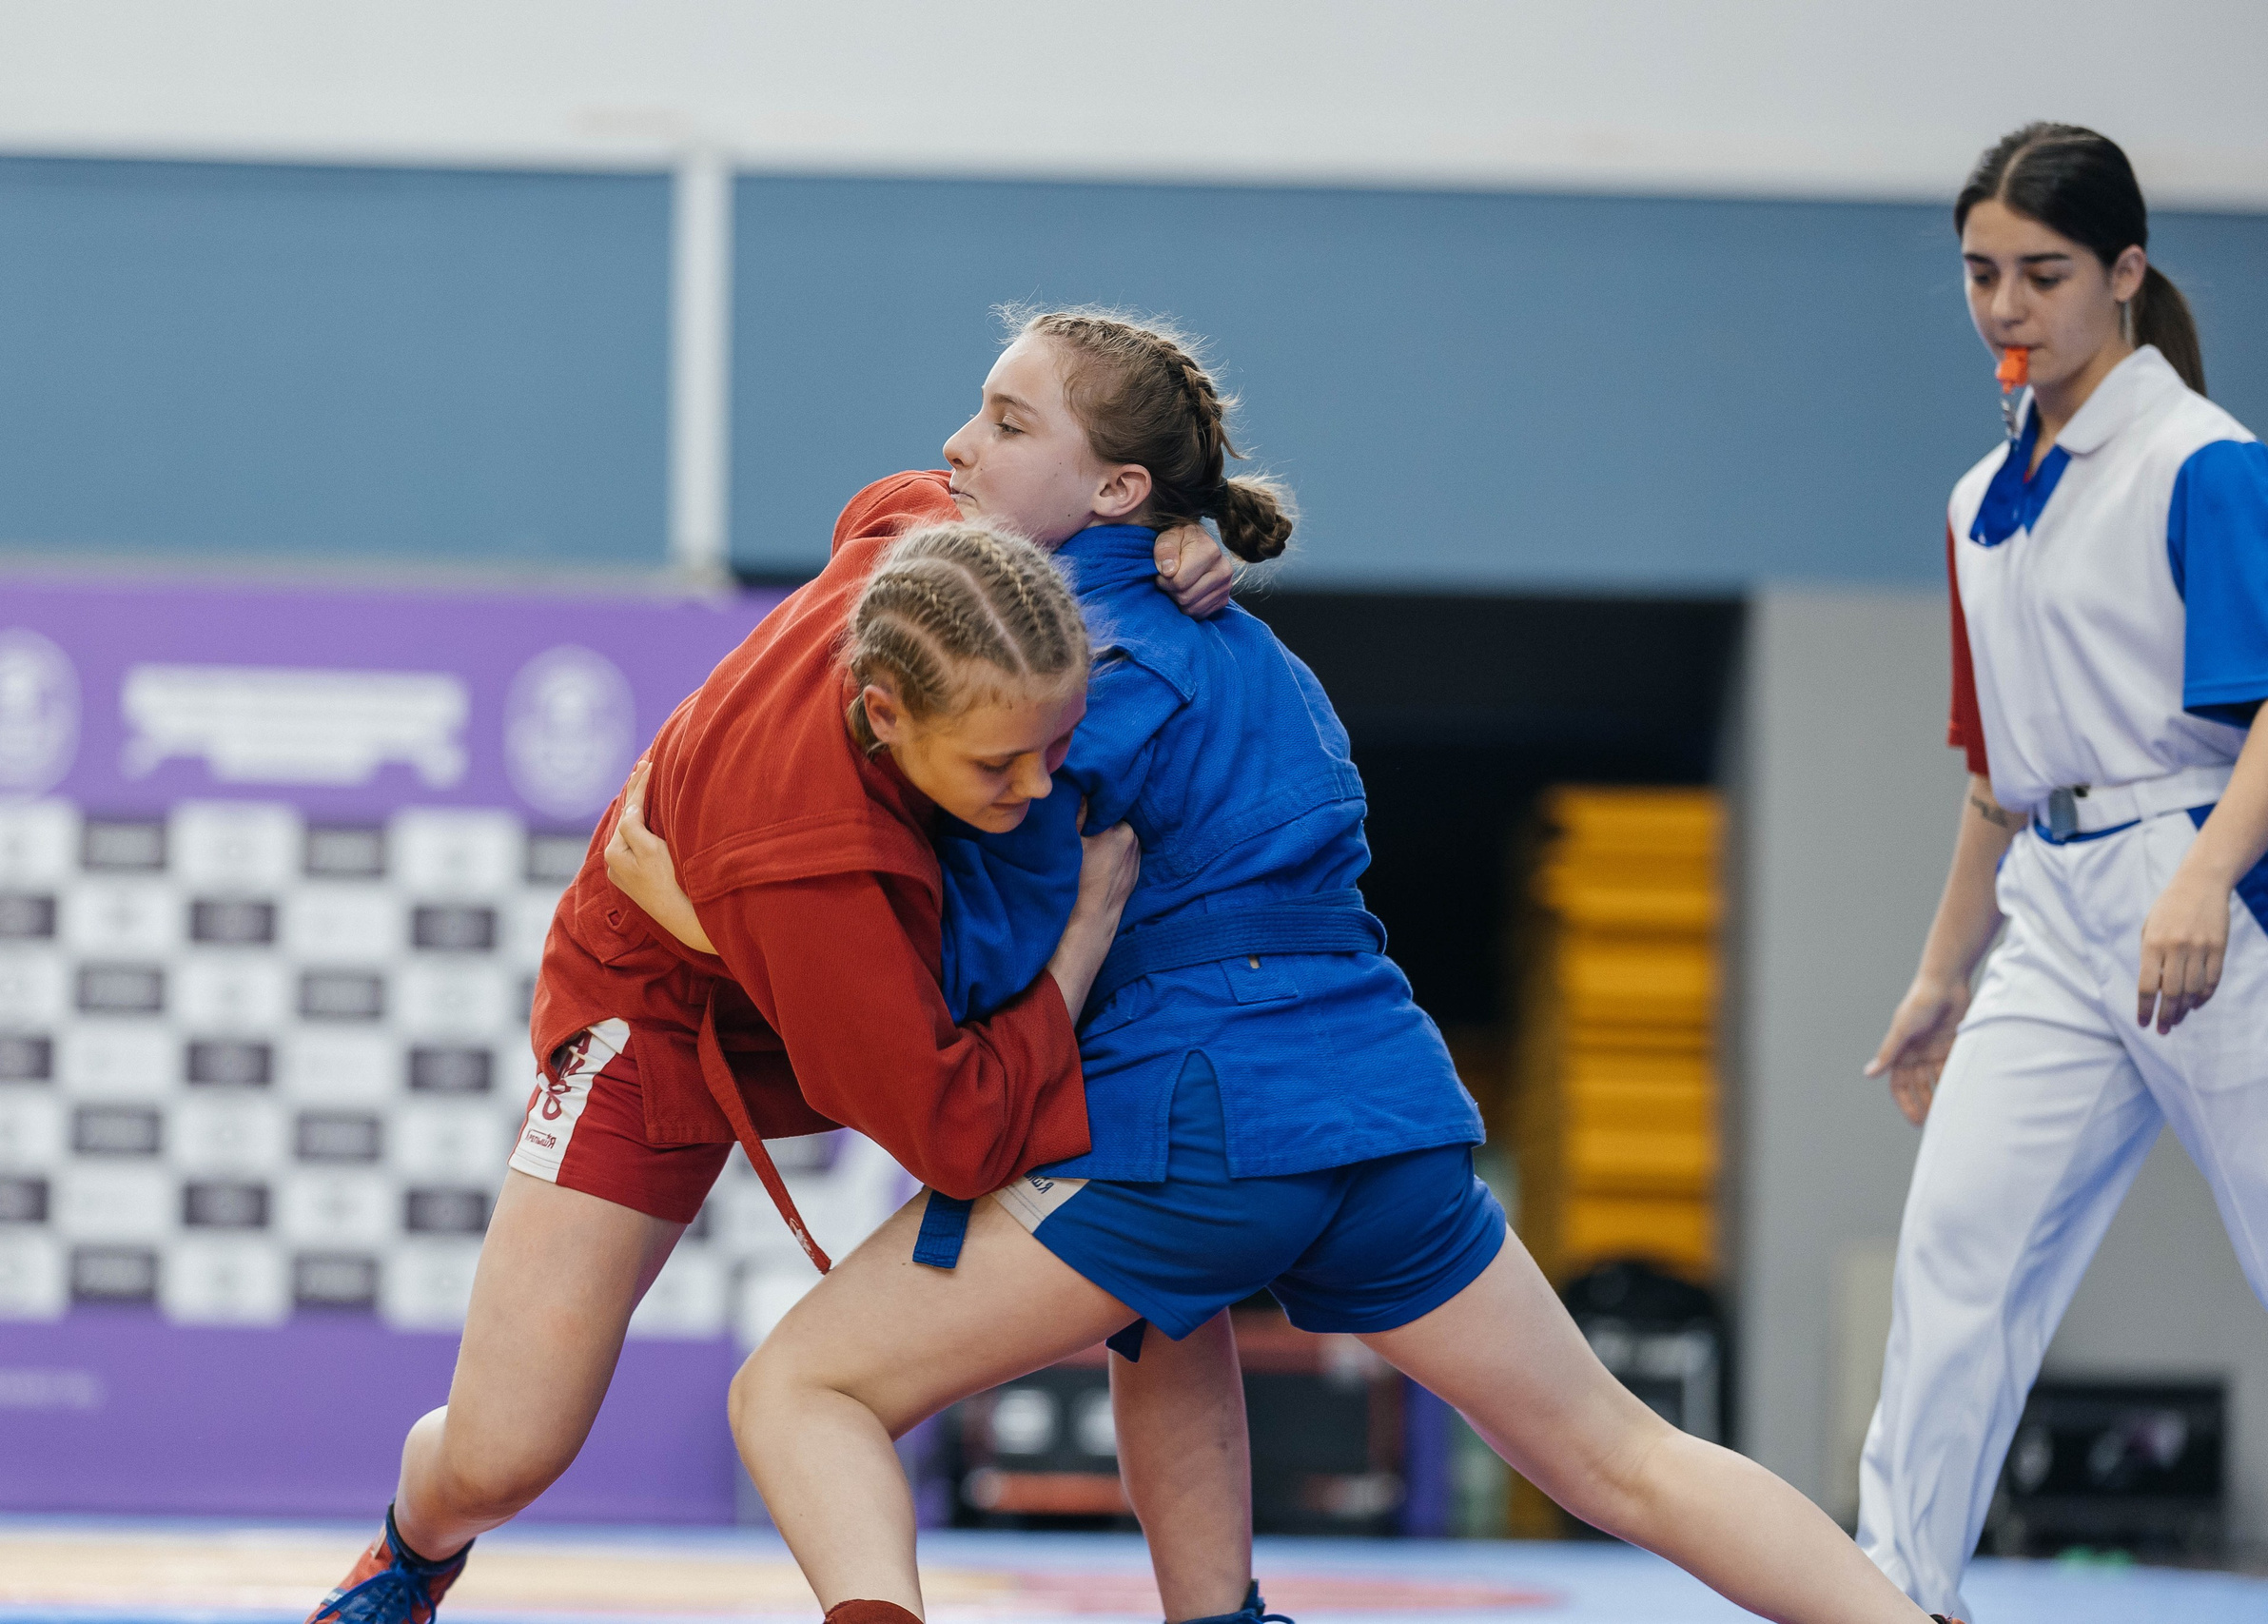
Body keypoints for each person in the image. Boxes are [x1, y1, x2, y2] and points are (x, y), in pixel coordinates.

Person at [627, 309, 1951, 1624]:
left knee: (804, 1387)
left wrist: (701, 913)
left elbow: (962, 967)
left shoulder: (1041, 680)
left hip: (1194, 1132)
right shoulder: (1261, 653)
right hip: (1378, 1116)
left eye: (1009, 421)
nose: (961, 444)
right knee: (1621, 1454)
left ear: (1120, 485)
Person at [305, 496, 1240, 1620]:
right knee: (506, 1453)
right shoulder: (815, 864)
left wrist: (1174, 535)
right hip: (652, 1018)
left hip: (804, 957)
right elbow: (958, 1133)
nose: (1039, 786)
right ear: (884, 714)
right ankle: (410, 1550)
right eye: (1000, 764)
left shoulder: (929, 553)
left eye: (1056, 742)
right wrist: (1080, 939)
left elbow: (902, 493)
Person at [1856, 124, 2268, 1620]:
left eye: (2044, 272)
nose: (2007, 304)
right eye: (1982, 273)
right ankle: (1896, 1588)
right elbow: (1995, 773)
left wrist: (2207, 877)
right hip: (2056, 903)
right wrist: (1937, 972)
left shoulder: (2204, 462)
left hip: (2211, 884)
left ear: (2128, 272)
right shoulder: (1980, 502)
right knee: (1955, 1250)